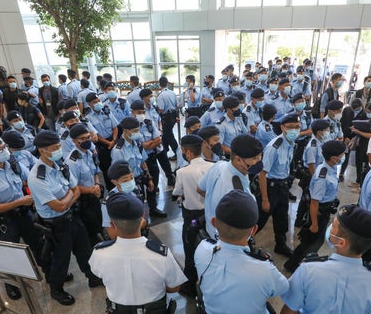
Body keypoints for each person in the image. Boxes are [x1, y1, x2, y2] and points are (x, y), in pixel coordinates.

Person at [27, 130, 102, 306]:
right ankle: (56, 289)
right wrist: (69, 196)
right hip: (56, 224)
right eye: (54, 148)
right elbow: (58, 206)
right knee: (61, 259)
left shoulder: (60, 165)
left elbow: (75, 189)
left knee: (85, 251)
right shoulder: (37, 177)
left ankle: (93, 277)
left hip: (72, 217)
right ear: (42, 150)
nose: (58, 150)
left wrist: (68, 198)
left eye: (59, 146)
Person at [0, 133, 44, 300]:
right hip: (4, 219)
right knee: (9, 255)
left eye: (4, 147)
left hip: (24, 213)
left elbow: (29, 179)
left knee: (38, 243)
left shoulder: (13, 163)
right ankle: (11, 284)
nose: (4, 151)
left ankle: (47, 269)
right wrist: (20, 202)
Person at [284, 140, 345, 273]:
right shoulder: (322, 176)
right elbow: (314, 202)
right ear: (334, 157)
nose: (343, 157)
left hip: (325, 210)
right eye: (341, 155)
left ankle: (305, 261)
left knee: (316, 241)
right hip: (318, 213)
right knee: (310, 242)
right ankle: (292, 265)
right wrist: (314, 223)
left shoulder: (330, 167)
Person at [198, 134, 263, 239]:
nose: (259, 160)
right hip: (225, 241)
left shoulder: (219, 165)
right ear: (238, 160)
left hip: (209, 229)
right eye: (254, 158)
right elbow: (236, 232)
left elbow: (200, 189)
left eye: (260, 155)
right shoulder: (237, 192)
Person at [172, 134, 214, 297]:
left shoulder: (183, 172)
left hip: (192, 216)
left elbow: (177, 191)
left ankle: (190, 285)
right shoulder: (212, 166)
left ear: (187, 153)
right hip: (209, 214)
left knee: (190, 249)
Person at [256, 113, 300, 257]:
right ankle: (243, 243)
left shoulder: (290, 145)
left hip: (283, 187)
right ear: (282, 127)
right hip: (270, 188)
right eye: (291, 127)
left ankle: (280, 245)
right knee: (259, 220)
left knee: (281, 219)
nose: (295, 130)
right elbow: (262, 174)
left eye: (297, 127)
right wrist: (265, 199)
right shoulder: (274, 147)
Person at [111, 116, 165, 217]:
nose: (138, 133)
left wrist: (149, 178)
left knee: (142, 201)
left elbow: (143, 162)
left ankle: (152, 210)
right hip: (129, 183)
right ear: (126, 131)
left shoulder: (137, 144)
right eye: (135, 131)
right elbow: (117, 173)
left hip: (140, 178)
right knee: (133, 207)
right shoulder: (118, 150)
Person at [65, 123, 103, 246]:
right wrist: (90, 190)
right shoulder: (72, 161)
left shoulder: (89, 153)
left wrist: (97, 184)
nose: (87, 141)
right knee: (90, 233)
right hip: (83, 201)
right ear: (74, 141)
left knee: (99, 224)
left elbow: (95, 172)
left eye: (88, 137)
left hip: (94, 195)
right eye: (82, 139)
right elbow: (73, 186)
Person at [156, 76, 180, 158]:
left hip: (166, 117)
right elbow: (177, 105)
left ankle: (178, 153)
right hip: (173, 116)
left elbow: (161, 110)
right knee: (166, 134)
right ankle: (164, 150)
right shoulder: (172, 93)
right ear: (167, 83)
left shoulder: (160, 95)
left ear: (159, 84)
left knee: (169, 135)